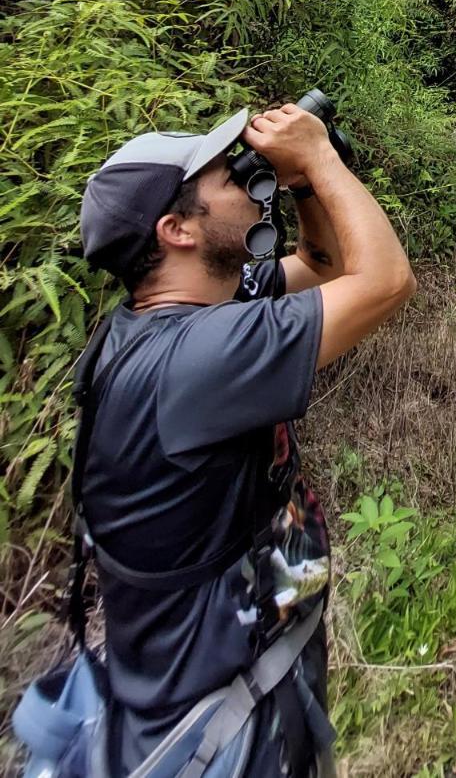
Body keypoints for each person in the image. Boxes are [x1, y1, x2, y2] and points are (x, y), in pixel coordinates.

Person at [76, 100, 417, 775]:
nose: (242, 178)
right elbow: (384, 282)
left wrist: (298, 184)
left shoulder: (184, 316)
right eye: (226, 178)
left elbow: (320, 262)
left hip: (239, 671)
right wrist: (317, 155)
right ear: (176, 229)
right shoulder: (196, 359)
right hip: (228, 727)